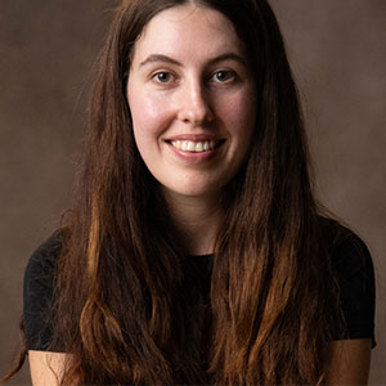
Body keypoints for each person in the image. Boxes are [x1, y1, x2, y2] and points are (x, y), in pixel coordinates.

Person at [4, 0, 375, 384]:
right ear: (123, 93)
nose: (197, 110)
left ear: (264, 93)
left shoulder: (336, 263)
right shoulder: (60, 272)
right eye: (164, 76)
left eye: (223, 75)